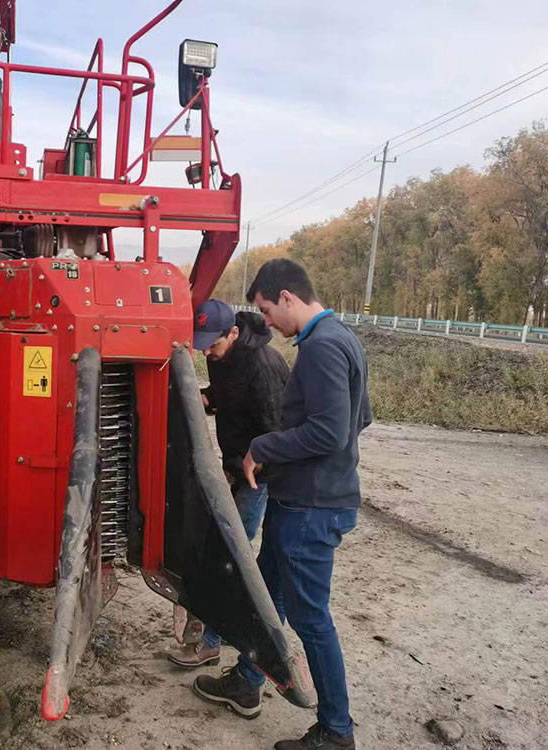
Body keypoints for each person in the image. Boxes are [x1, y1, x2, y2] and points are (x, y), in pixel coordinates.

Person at [192, 260, 371, 750]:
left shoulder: (321, 349)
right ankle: (247, 682)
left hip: (311, 509)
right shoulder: (341, 338)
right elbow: (362, 419)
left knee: (312, 618)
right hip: (304, 499)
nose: (266, 322)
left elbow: (332, 431)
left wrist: (265, 449)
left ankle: (337, 731)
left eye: (269, 310)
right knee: (270, 594)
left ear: (288, 297)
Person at [167, 298, 289, 668]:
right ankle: (210, 638)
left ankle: (212, 642)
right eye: (201, 342)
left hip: (259, 477)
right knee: (220, 548)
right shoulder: (220, 356)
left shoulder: (262, 366)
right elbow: (223, 397)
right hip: (235, 467)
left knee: (230, 555)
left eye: (213, 343)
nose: (206, 349)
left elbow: (276, 431)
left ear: (234, 333)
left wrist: (249, 475)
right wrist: (196, 399)